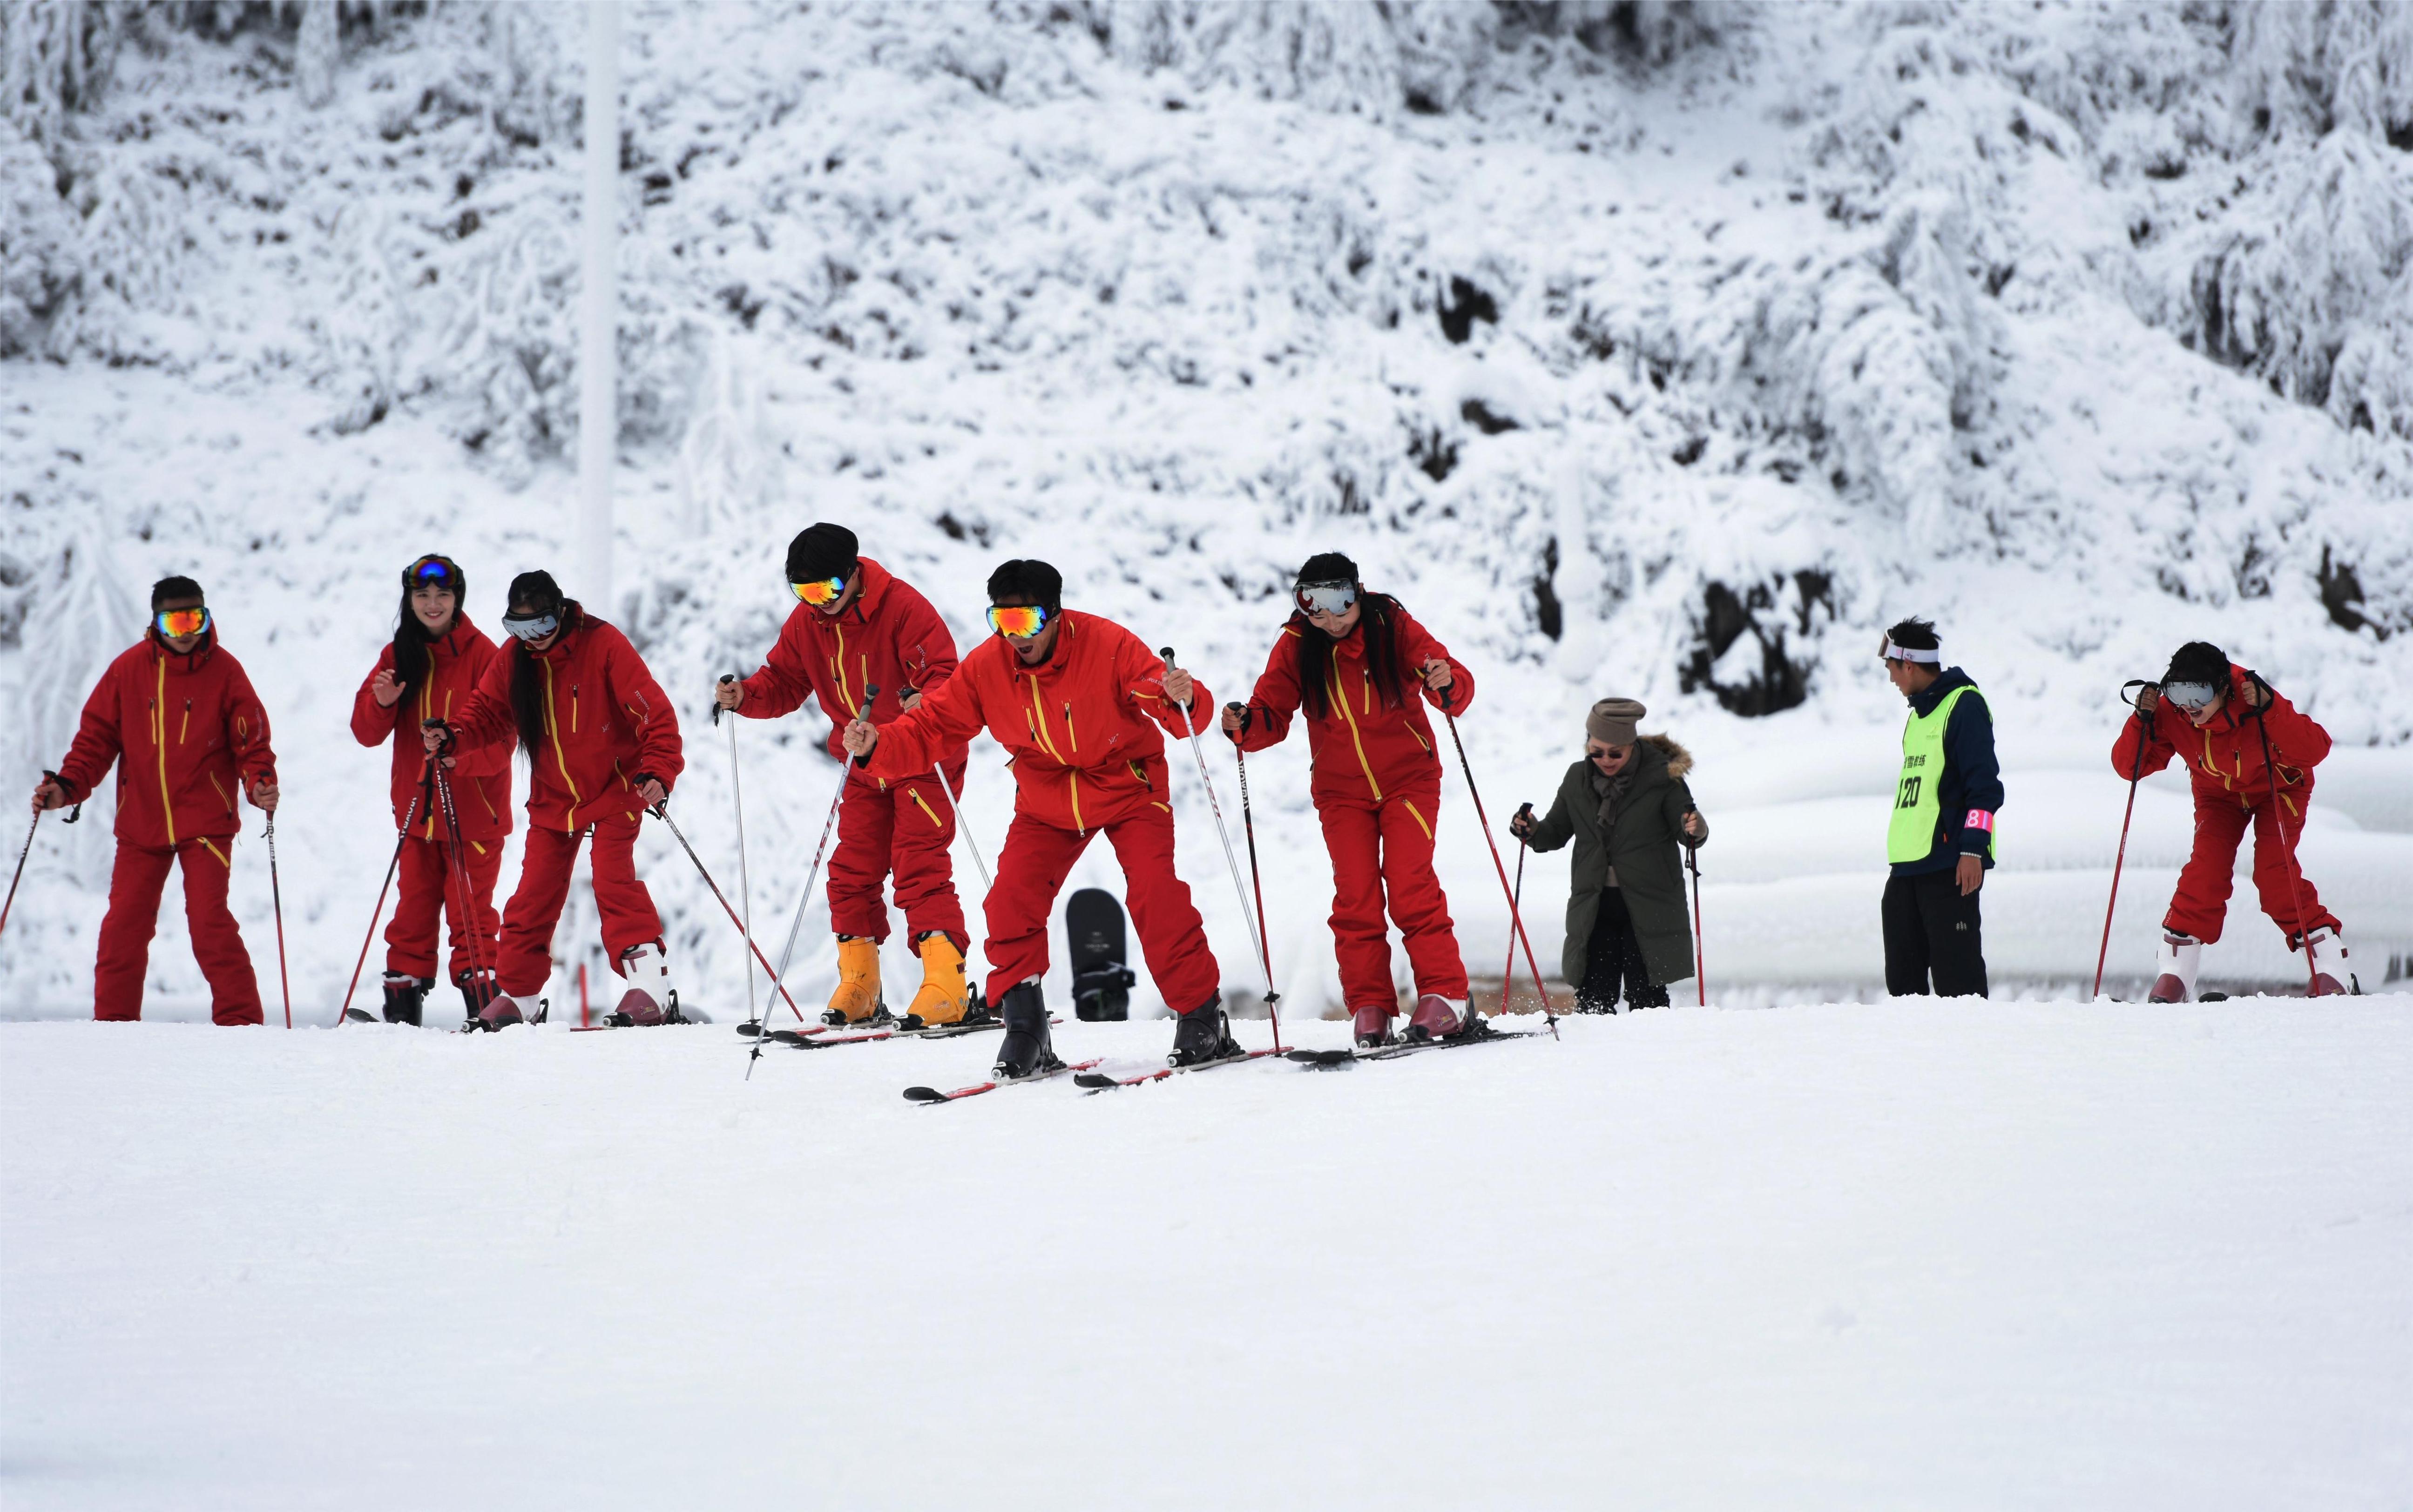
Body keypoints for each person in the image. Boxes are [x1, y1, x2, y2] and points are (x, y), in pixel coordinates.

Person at [841, 559, 1236, 1077]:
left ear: (1054, 614)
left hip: (1127, 787)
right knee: (1009, 901)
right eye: (1001, 622)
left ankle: (1202, 1016)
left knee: (1154, 893)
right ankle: (1026, 1028)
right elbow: (934, 724)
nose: (1014, 636)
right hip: (1045, 798)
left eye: (1025, 621)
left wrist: (1183, 696)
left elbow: (1165, 699)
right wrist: (878, 744)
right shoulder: (987, 667)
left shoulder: (1107, 644)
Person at [715, 525, 971, 1028]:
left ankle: (947, 986)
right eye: (804, 591)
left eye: (827, 588)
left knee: (918, 865)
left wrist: (926, 701)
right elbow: (784, 681)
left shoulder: (902, 608)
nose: (819, 602)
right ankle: (860, 985)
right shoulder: (808, 622)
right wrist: (745, 695)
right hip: (862, 763)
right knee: (851, 872)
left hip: (919, 755)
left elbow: (943, 674)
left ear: (854, 574)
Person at [1222, 552, 1477, 1046]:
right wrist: (1245, 723)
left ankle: (1446, 997)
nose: (1330, 618)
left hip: (1408, 779)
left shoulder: (1391, 626)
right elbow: (1270, 711)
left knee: (1409, 884)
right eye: (1313, 606)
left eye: (1340, 601)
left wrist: (1446, 682)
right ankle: (1370, 1006)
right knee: (1355, 897)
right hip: (1341, 791)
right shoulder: (1297, 644)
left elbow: (1450, 680)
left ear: (1357, 592)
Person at [422, 571, 685, 1028]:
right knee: (532, 896)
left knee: (613, 881)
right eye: (518, 628)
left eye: (540, 626)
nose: (532, 638)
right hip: (554, 797)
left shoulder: (602, 644)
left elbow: (654, 714)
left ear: (560, 613)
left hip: (616, 785)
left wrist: (659, 771)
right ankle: (519, 995)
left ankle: (650, 988)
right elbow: (486, 714)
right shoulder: (515, 659)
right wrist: (453, 736)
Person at [32, 576, 279, 1024]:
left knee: (209, 924)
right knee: (123, 928)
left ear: (206, 618)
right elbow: (95, 741)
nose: (186, 632)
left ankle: (243, 1026)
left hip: (205, 822)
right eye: (175, 622)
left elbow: (251, 740)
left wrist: (259, 781)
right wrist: (67, 788)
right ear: (155, 624)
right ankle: (113, 1028)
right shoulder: (128, 670)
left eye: (195, 620)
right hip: (141, 824)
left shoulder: (226, 671)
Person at [2115, 641, 2352, 1000]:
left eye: (2198, 695)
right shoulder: (2172, 711)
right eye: (2177, 693)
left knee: (2274, 875)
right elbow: (2129, 767)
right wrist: (2141, 721)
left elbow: (2315, 748)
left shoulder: (2252, 697)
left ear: (2223, 688)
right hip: (2217, 795)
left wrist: (2270, 709)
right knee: (2205, 871)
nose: (2188, 706)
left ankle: (2331, 968)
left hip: (2278, 788)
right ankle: (2175, 974)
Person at [349, 554, 511, 1025]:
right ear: (410, 600)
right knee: (412, 917)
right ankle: (401, 1017)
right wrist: (382, 703)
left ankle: (485, 1014)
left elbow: (505, 740)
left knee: (471, 917)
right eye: (422, 595)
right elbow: (365, 732)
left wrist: (459, 758)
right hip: (417, 812)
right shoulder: (397, 655)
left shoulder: (487, 656)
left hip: (474, 815)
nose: (433, 603)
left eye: (442, 594)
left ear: (458, 598)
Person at [1510, 699, 1706, 1012]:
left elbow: (1687, 829)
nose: (1605, 760)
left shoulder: (1663, 778)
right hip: (1594, 905)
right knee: (1594, 1001)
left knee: (1648, 1000)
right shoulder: (1577, 779)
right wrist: (1530, 829)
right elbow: (1554, 832)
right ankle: (1592, 1046)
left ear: (1632, 746)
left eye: (1615, 753)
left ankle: (1653, 1046)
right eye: (1596, 752)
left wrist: (1695, 828)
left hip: (1650, 903)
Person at [1877, 618, 2000, 998]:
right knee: (1903, 991)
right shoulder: (1917, 716)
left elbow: (1984, 789)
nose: (1891, 678)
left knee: (1959, 990)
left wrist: (1972, 850)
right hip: (1906, 868)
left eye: (1891, 668)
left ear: (1908, 665)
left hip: (1949, 868)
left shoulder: (1964, 706)